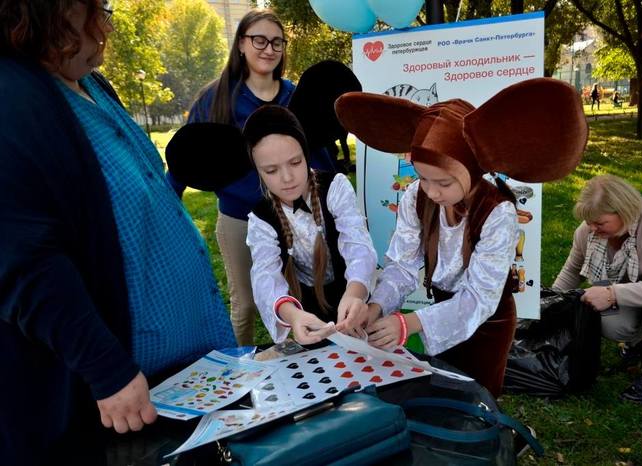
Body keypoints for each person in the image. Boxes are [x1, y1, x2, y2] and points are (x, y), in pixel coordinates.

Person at [0, 1, 235, 464]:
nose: (107, 24)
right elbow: (20, 259)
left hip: (190, 373)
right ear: (54, 11)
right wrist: (105, 367)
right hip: (128, 399)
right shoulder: (11, 97)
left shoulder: (89, 83)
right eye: (98, 8)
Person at [335, 78, 588, 397]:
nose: (432, 191)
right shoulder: (417, 197)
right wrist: (376, 307)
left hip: (489, 324)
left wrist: (410, 324)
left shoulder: (497, 212)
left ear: (472, 169)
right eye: (423, 177)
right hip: (439, 310)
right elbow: (401, 266)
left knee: (478, 397)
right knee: (443, 393)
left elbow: (479, 298)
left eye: (443, 182)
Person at [167, 9, 336, 346]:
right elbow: (190, 156)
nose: (268, 49)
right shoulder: (216, 98)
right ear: (241, 44)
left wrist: (332, 200)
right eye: (259, 40)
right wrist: (168, 205)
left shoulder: (295, 97)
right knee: (244, 304)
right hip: (239, 217)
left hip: (293, 217)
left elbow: (317, 154)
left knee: (298, 298)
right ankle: (240, 372)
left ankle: (301, 363)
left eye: (277, 42)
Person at [166, 106, 377, 345]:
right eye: (271, 170)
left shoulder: (335, 188)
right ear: (256, 170)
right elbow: (265, 275)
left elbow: (358, 243)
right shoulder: (261, 218)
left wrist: (356, 292)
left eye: (295, 162)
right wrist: (293, 315)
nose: (287, 178)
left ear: (306, 154)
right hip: (305, 311)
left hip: (353, 302)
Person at [553, 174, 642, 403]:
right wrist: (549, 302)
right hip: (639, 284)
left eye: (600, 223)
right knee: (610, 321)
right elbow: (572, 270)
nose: (592, 228)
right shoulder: (588, 230)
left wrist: (613, 294)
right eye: (589, 221)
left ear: (625, 211)